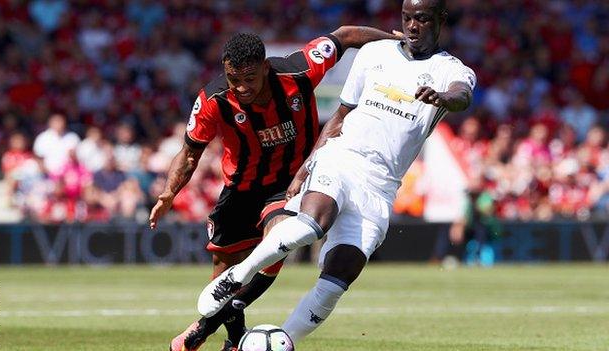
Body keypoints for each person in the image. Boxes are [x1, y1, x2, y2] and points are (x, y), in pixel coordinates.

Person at [197, 0, 476, 344]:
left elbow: (462, 95)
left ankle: (284, 340)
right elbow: (341, 116)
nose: (413, 25)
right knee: (316, 220)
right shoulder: (375, 53)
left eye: (422, 18)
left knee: (339, 276)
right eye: (407, 18)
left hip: (382, 185)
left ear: (440, 19)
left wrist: (445, 99)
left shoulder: (452, 70)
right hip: (343, 157)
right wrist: (305, 168)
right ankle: (239, 274)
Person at [148, 27, 403, 351]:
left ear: (265, 68)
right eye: (233, 79)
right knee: (225, 270)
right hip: (240, 188)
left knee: (278, 237)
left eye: (249, 79)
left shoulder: (300, 70)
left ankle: (202, 328)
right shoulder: (213, 99)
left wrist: (399, 44)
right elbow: (189, 153)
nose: (240, 88)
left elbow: (346, 36)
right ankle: (235, 340)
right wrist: (170, 193)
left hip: (290, 183)